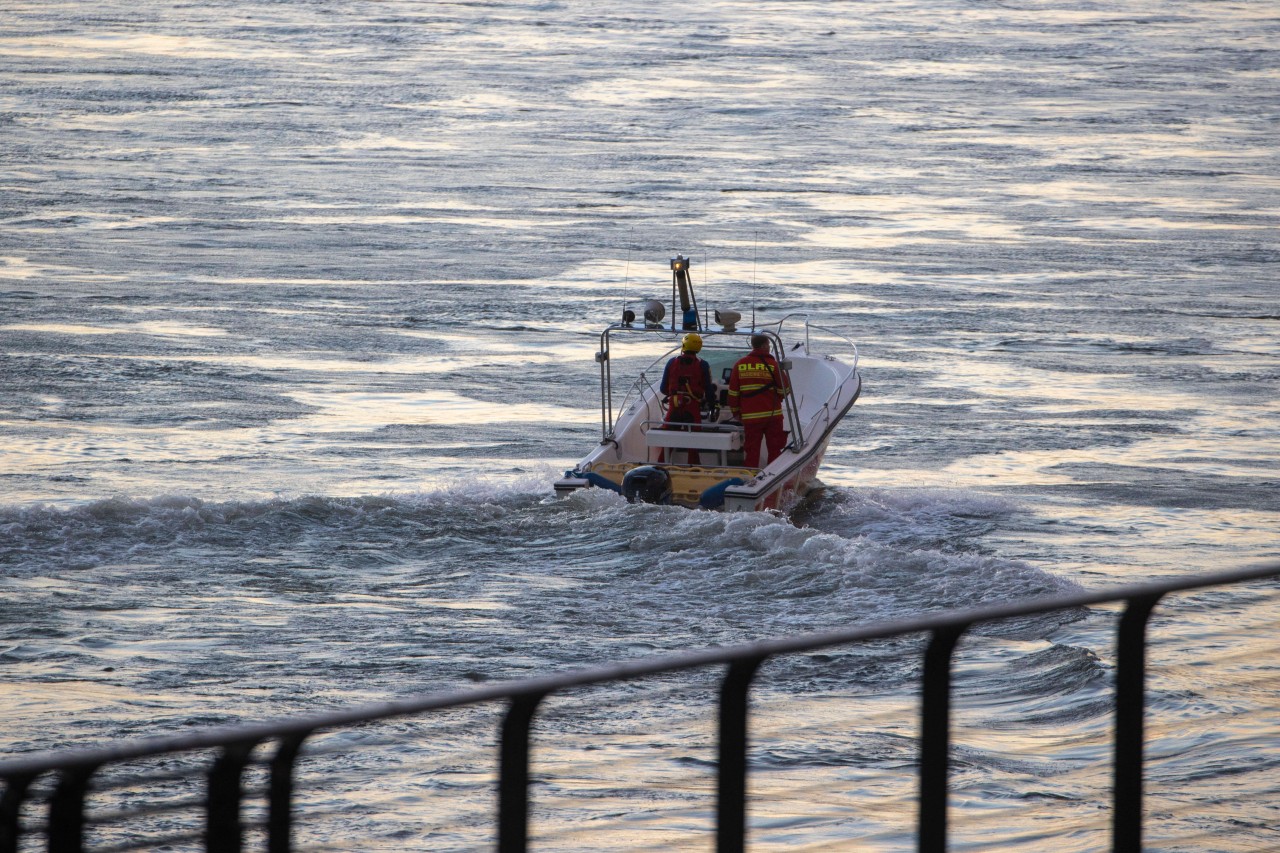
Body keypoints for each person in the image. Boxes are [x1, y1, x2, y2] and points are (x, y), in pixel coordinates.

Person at [728, 333, 791, 468]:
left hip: (750, 418)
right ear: (763, 346)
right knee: (774, 449)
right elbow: (785, 389)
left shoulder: (740, 365)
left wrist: (736, 412)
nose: (769, 347)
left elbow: (733, 393)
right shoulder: (773, 365)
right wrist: (776, 399)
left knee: (752, 451)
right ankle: (772, 476)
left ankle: (750, 477)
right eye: (768, 344)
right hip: (772, 416)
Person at [659, 333, 714, 464]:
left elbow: (663, 389)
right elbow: (709, 390)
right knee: (693, 444)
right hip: (692, 408)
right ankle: (694, 470)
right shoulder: (703, 365)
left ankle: (660, 466)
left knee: (667, 443)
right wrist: (712, 404)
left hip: (674, 407)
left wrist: (674, 395)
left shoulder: (672, 362)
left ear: (683, 345)